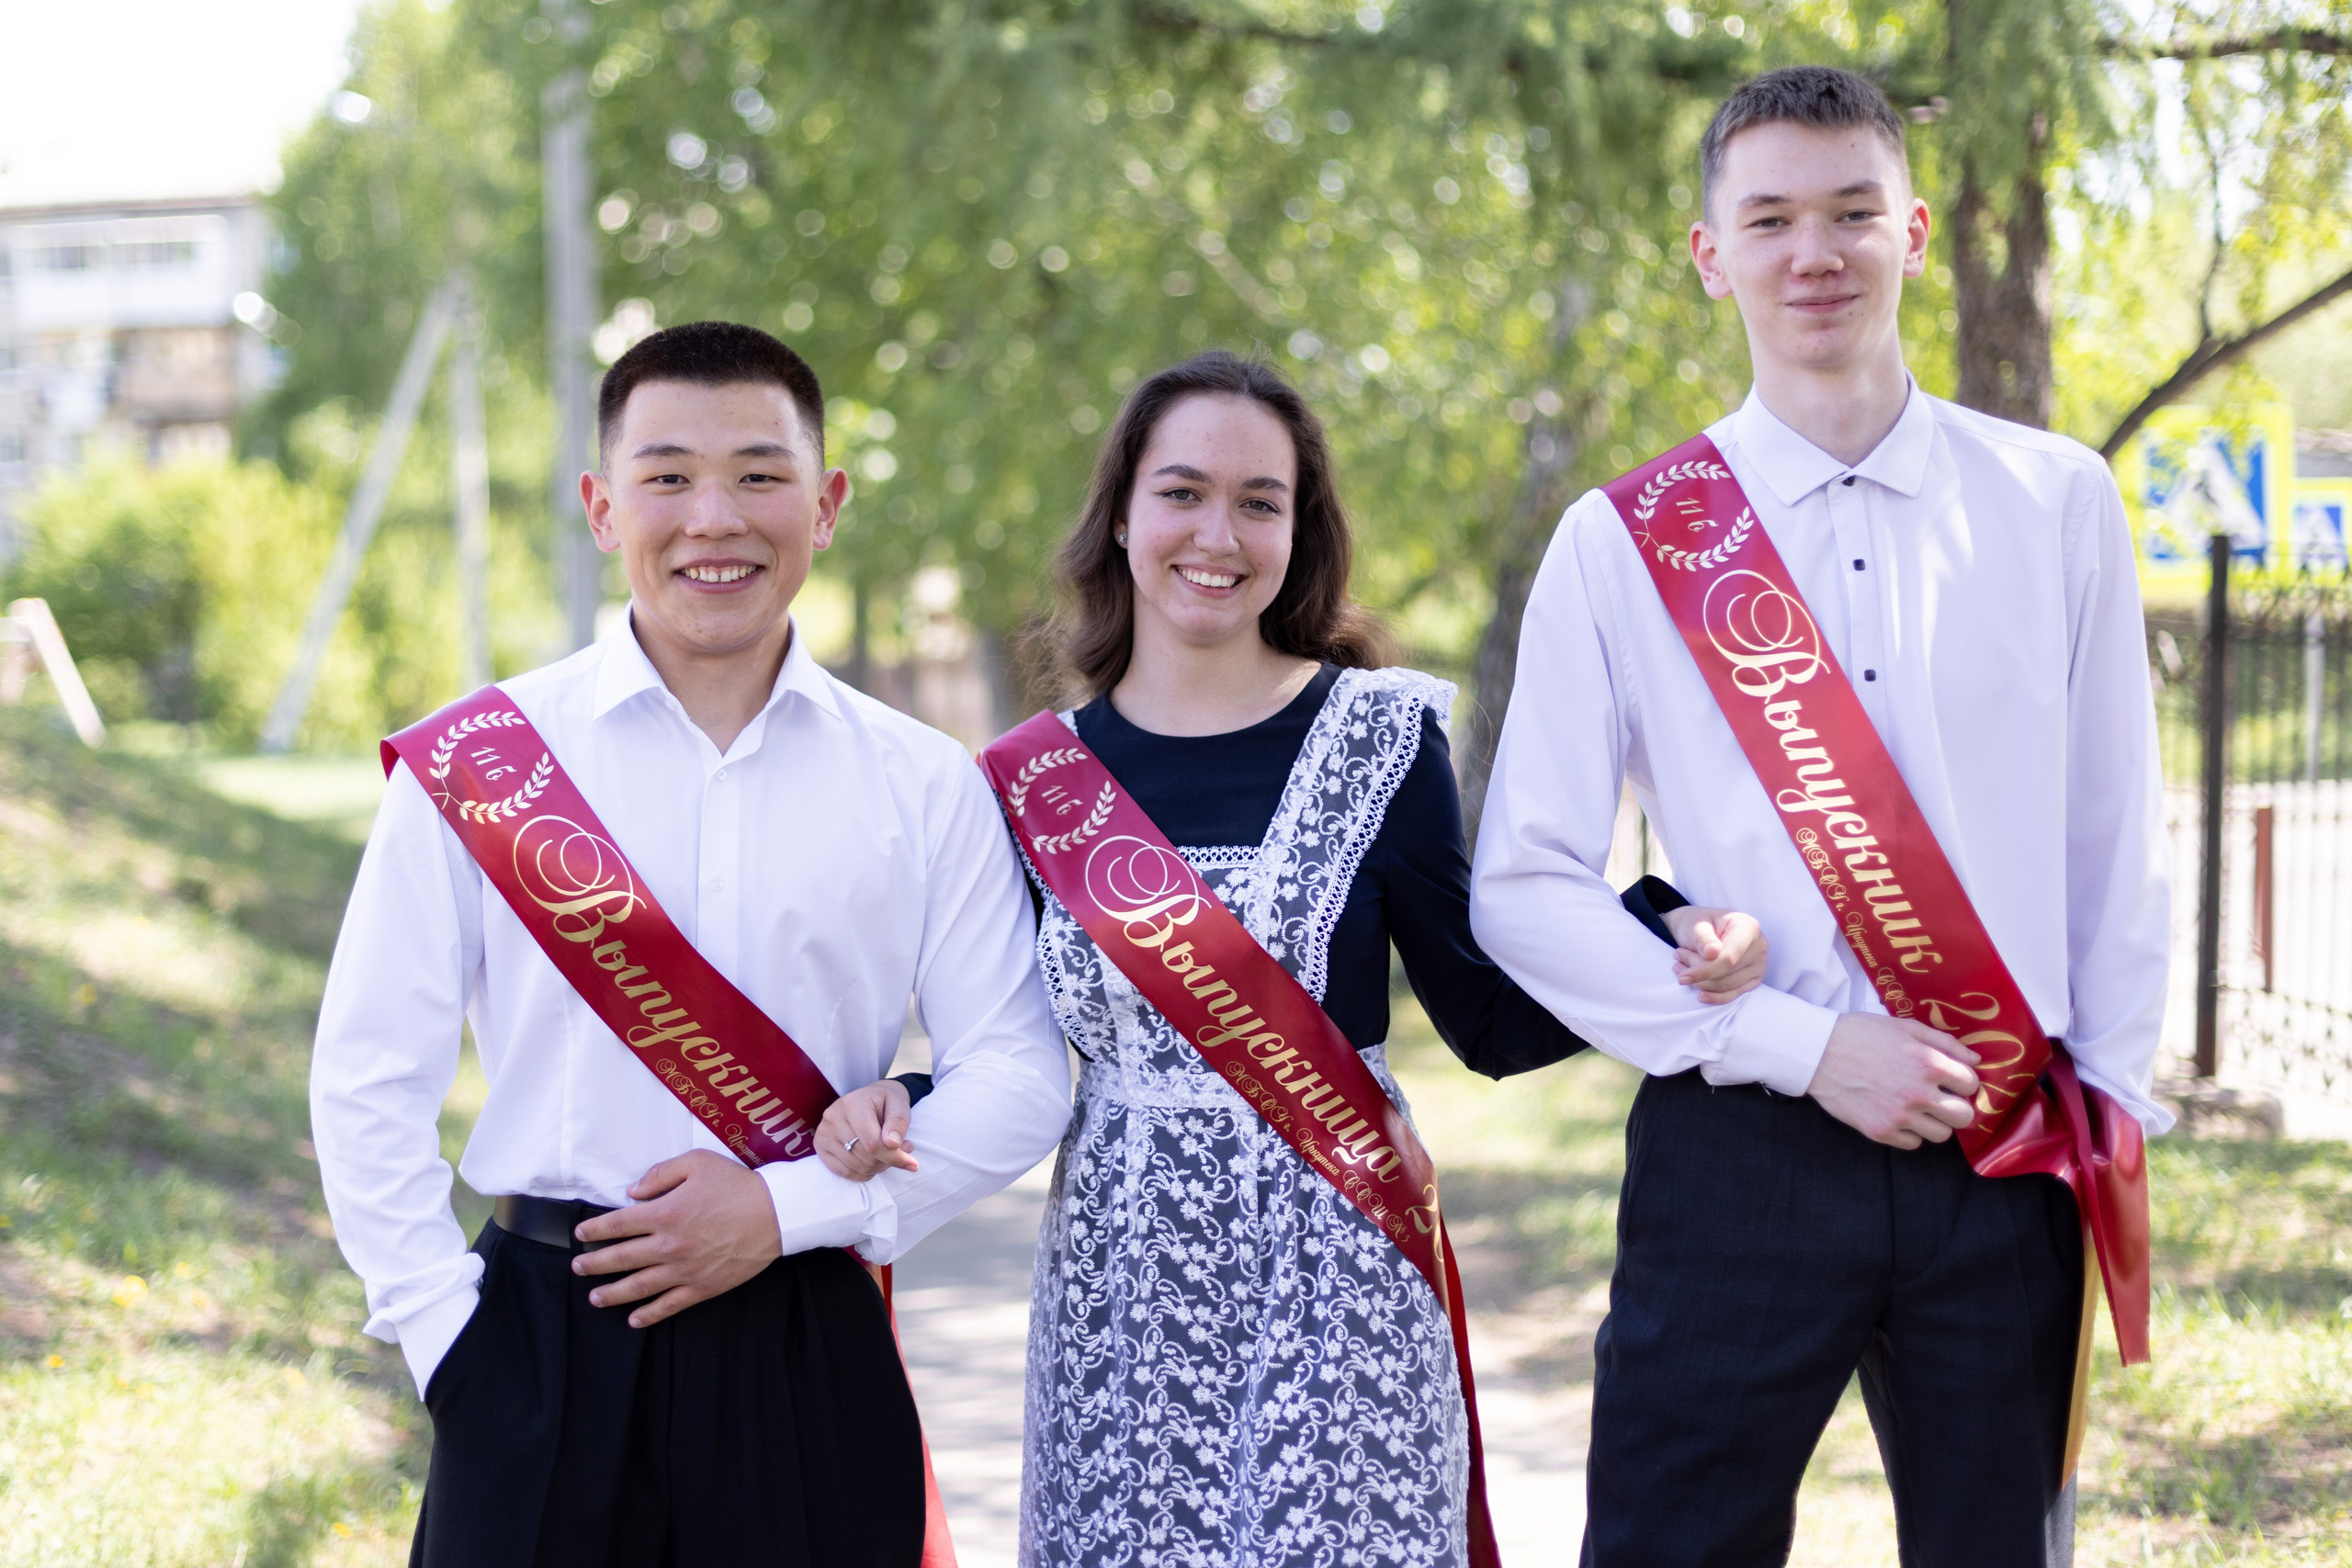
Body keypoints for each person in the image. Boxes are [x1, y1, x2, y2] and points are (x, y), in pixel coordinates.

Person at [818, 350, 1770, 1567]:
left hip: (1343, 1280)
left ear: (1297, 533)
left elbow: (1485, 1018)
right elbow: (1011, 1053)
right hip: (1123, 1305)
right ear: (1121, 517)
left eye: (1258, 502)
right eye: (1182, 492)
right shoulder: (1028, 781)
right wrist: (901, 1099)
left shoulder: (1382, 737)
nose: (1217, 534)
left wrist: (1656, 927)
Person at [1471, 66, 2172, 1567]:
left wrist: (2104, 1119)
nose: (1816, 254)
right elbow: (1524, 885)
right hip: (1742, 1147)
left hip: (2004, 1146)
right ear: (1709, 253)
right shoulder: (1622, 542)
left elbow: (2113, 840)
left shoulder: (2055, 501)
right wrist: (1799, 1045)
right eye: (1771, 218)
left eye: (1853, 212)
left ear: (1911, 231)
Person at [309, 321, 1072, 1568]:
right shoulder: (482, 764)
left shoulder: (926, 782)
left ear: (825, 506)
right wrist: (451, 1345)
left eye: (760, 475)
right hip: (539, 1352)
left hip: (807, 1341)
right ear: (603, 507)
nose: (714, 518)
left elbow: (1021, 1073)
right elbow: (366, 1078)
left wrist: (781, 1210)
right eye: (667, 476)